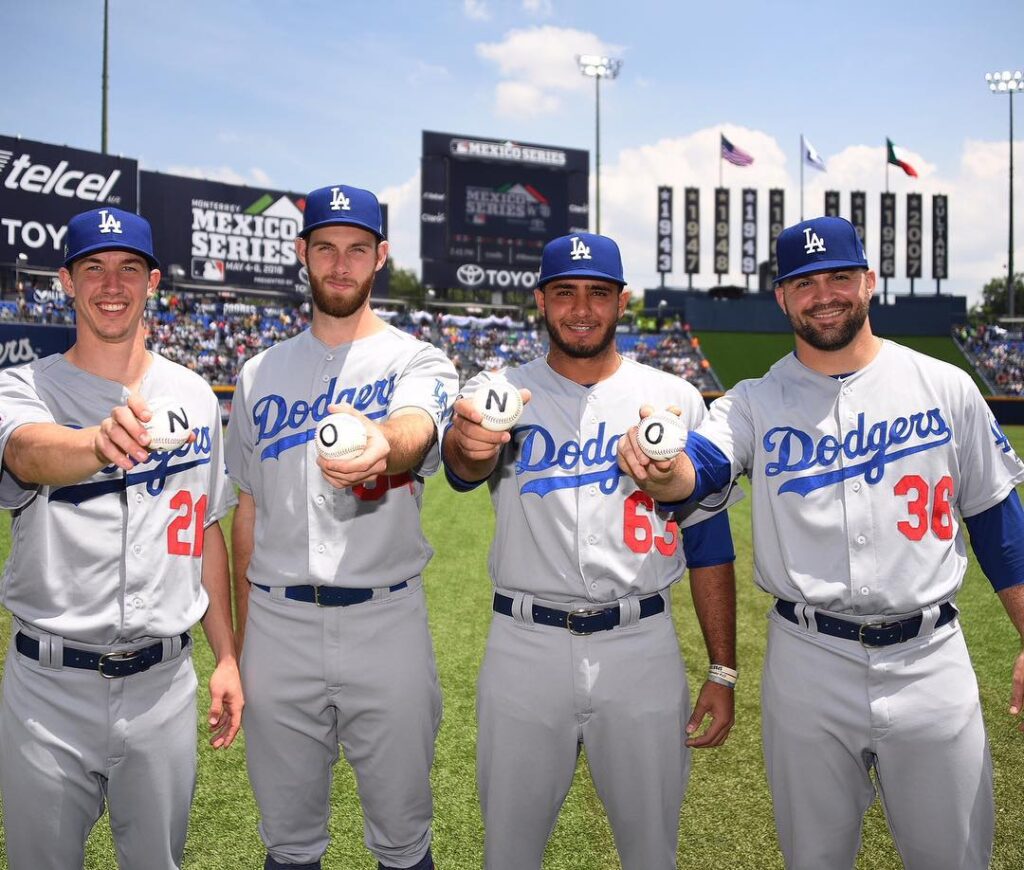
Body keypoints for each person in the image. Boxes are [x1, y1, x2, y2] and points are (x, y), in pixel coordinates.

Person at [617, 215, 1024, 870]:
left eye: (839, 276)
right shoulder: (753, 401)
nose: (824, 293)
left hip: (931, 659)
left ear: (870, 281)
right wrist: (665, 471)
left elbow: (998, 521)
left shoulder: (944, 386)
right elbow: (701, 466)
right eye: (804, 282)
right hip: (808, 661)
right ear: (782, 297)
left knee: (955, 857)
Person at [442, 232, 739, 870]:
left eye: (598, 293)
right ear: (541, 300)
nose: (582, 308)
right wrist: (468, 446)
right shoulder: (499, 392)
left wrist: (722, 669)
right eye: (566, 292)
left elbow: (709, 535)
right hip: (525, 644)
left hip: (641, 644)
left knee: (651, 850)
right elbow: (461, 470)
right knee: (508, 852)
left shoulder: (675, 398)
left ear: (622, 301)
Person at [0, 207, 242, 870]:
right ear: (66, 282)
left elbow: (207, 528)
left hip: (162, 684)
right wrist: (96, 443)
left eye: (128, 268)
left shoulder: (194, 395)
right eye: (94, 268)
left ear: (153, 281)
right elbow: (25, 454)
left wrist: (226, 655)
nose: (112, 283)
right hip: (49, 688)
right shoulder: (23, 386)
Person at [226, 184, 457, 870]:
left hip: (385, 619)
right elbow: (249, 509)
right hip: (277, 622)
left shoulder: (416, 359)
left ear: (380, 257)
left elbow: (417, 426)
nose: (340, 264)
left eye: (357, 249)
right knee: (289, 843)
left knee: (403, 837)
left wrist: (384, 442)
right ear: (303, 254)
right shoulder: (258, 373)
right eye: (325, 247)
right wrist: (239, 648)